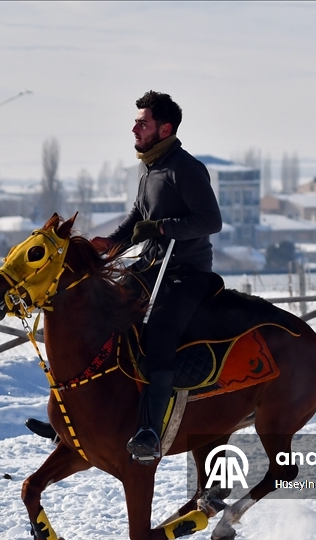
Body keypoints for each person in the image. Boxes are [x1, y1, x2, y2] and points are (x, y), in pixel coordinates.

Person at [95, 90, 223, 462]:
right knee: (102, 311)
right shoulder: (148, 166)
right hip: (152, 266)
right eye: (136, 121)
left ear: (164, 129)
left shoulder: (186, 168)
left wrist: (162, 228)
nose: (134, 128)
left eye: (142, 122)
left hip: (187, 273)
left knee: (160, 334)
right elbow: (138, 215)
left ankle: (149, 430)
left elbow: (210, 221)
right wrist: (110, 244)